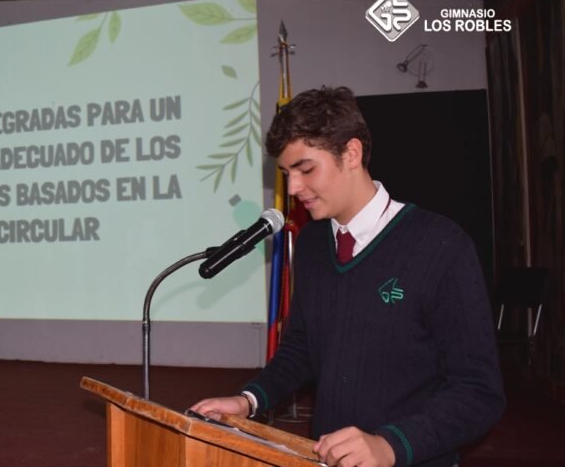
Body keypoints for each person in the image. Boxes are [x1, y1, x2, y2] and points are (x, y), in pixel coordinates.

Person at [190, 86, 505, 467]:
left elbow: (479, 392)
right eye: (286, 173)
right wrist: (248, 400)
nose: (293, 189)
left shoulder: (441, 245)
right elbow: (301, 349)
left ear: (351, 153)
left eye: (306, 169)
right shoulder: (311, 244)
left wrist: (388, 445)